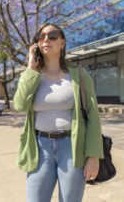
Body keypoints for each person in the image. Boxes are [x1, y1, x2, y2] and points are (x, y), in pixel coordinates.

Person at [13, 23, 104, 202]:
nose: (46, 39)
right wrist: (31, 68)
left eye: (53, 35)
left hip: (72, 148)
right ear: (37, 43)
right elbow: (20, 105)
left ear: (62, 43)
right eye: (41, 36)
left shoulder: (78, 75)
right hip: (40, 148)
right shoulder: (31, 75)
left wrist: (93, 155)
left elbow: (93, 115)